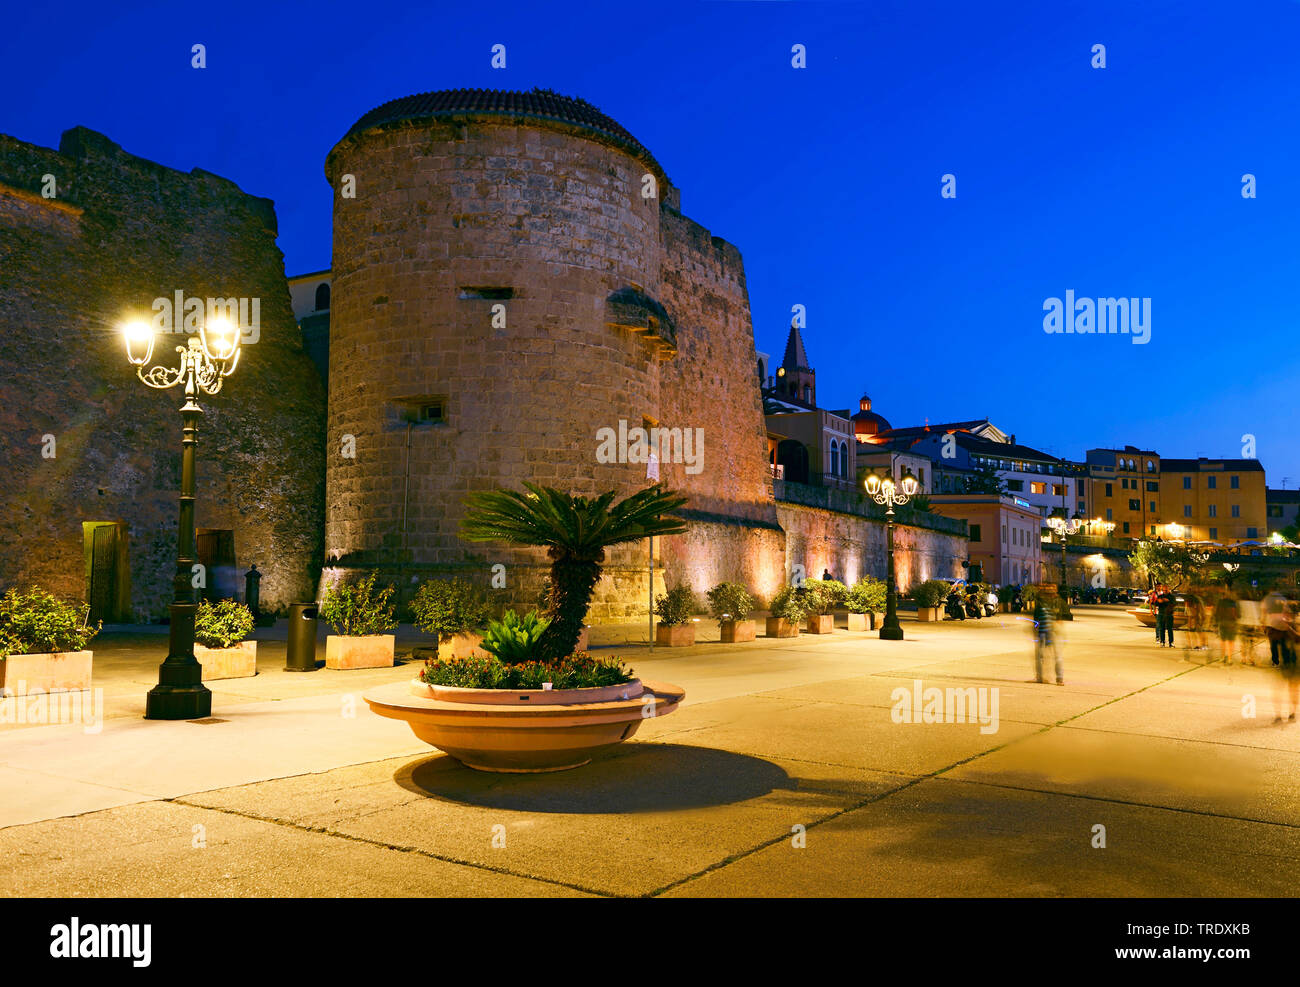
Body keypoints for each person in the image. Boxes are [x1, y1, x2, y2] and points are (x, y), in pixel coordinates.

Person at [1032, 583, 1064, 685]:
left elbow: (1059, 617)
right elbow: (1036, 618)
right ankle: (1041, 677)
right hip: (1043, 632)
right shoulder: (1041, 603)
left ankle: (1058, 678)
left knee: (1055, 655)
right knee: (1042, 656)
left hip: (1051, 632)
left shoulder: (1056, 602)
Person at [1214, 590, 1240, 665]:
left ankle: (1222, 657)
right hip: (1232, 623)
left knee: (1223, 641)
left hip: (1222, 622)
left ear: (1223, 595)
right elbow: (1238, 615)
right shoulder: (1234, 603)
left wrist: (1215, 623)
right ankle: (1229, 659)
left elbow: (1217, 613)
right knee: (1231, 641)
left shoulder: (1220, 602)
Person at [1150, 583, 1176, 647]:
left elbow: (1174, 604)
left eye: (1166, 590)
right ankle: (1162, 642)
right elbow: (1155, 603)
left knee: (1170, 628)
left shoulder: (1172, 597)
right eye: (1164, 590)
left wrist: (1167, 601)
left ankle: (1171, 642)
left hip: (1169, 614)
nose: (1165, 591)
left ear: (1168, 590)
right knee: (1162, 628)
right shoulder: (1160, 596)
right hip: (1161, 614)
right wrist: (1159, 602)